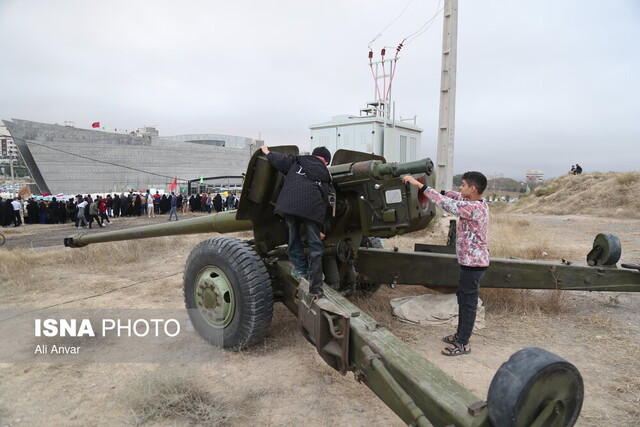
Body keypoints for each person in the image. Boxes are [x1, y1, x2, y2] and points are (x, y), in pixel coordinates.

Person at [403, 171, 489, 357]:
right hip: (469, 262)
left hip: (473, 265)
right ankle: (460, 335)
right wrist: (436, 189)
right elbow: (452, 196)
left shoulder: (475, 208)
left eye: (464, 184)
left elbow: (448, 204)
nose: (461, 188)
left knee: (468, 303)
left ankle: (463, 343)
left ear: (473, 188)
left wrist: (421, 187)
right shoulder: (472, 202)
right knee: (463, 299)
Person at [260, 145, 332, 297]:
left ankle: (300, 268)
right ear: (326, 161)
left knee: (293, 237)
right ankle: (316, 286)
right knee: (315, 247)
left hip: (290, 205)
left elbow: (279, 160)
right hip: (312, 208)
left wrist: (267, 152)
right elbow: (324, 200)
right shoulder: (325, 175)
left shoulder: (297, 161)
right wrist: (320, 230)